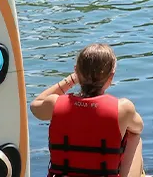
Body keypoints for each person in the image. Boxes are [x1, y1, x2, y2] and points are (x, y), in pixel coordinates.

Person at [30, 44, 146, 177]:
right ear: (111, 76)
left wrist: (71, 80)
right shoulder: (123, 108)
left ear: (76, 72)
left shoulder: (55, 104)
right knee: (134, 135)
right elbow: (139, 127)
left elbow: (35, 105)